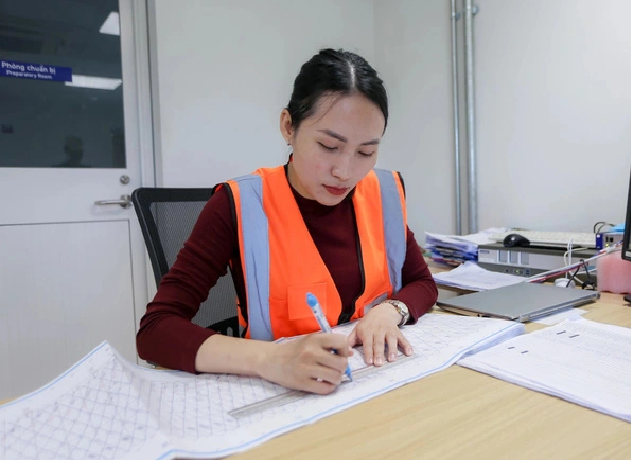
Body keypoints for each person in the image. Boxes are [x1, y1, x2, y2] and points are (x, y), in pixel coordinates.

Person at [136, 48, 438, 395]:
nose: (345, 171)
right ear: (288, 127)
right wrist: (270, 359)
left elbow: (423, 283)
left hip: (374, 387)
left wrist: (390, 312)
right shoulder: (239, 205)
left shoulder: (381, 192)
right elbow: (155, 331)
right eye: (328, 146)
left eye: (366, 152)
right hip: (281, 400)